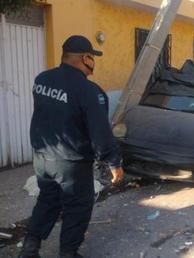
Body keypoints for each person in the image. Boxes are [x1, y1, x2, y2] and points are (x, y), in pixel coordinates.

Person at [18, 35, 124, 258]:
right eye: (92, 57)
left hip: (41, 155)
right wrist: (114, 162)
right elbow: (100, 132)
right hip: (71, 162)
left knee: (48, 200)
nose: (93, 62)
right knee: (78, 206)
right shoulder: (89, 91)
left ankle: (30, 247)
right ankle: (68, 253)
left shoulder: (42, 80)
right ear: (85, 58)